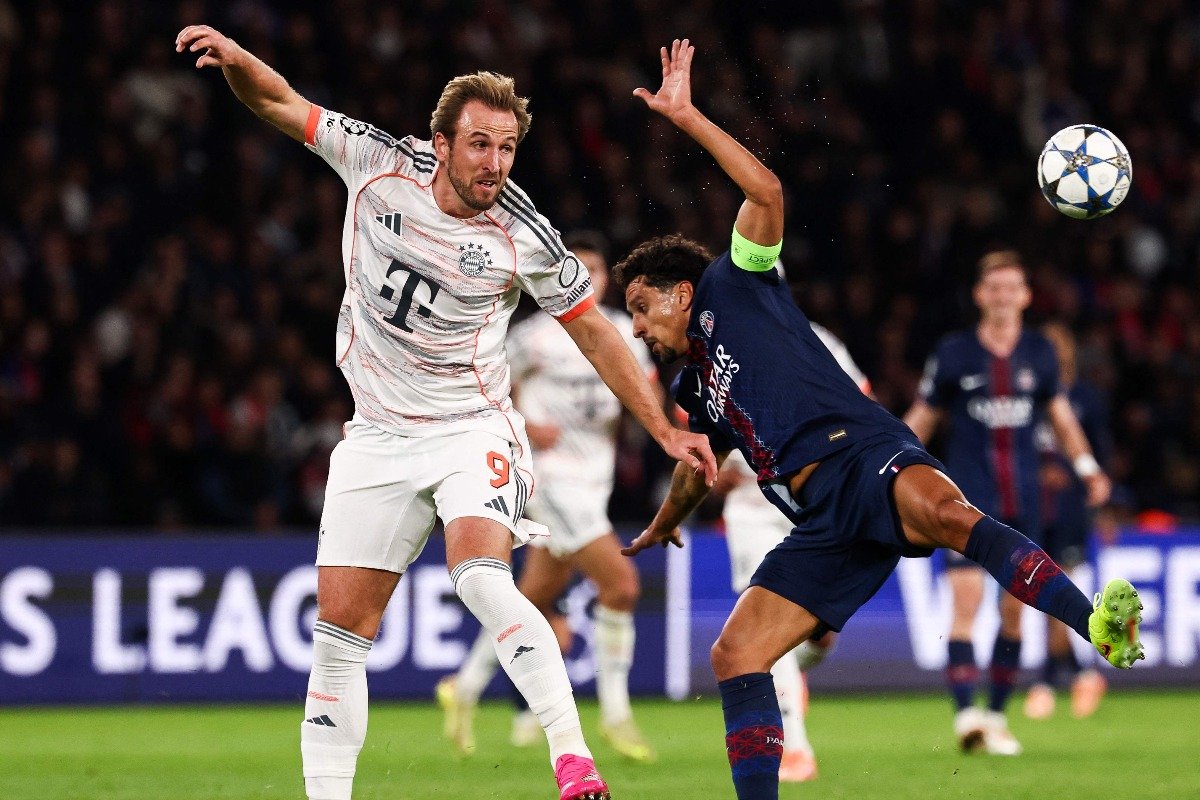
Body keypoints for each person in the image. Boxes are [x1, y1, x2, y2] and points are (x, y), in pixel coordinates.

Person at [174, 25, 718, 800]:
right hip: (377, 433)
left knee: (481, 577)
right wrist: (237, 60)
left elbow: (594, 330)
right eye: (480, 145)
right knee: (339, 637)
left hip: (471, 427)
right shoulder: (376, 163)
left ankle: (574, 762)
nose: (494, 163)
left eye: (507, 148)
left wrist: (662, 427)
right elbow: (280, 102)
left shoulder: (523, 231)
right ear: (441, 145)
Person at [615, 39, 1143, 800]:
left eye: (641, 307)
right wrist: (666, 522)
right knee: (735, 655)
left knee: (953, 517)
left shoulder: (737, 282)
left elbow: (766, 190)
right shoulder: (693, 388)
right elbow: (696, 466)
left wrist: (688, 117)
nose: (636, 326)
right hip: (821, 522)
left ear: (681, 292)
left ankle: (1094, 625)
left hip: (861, 454)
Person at [437, 232, 657, 762]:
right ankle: (616, 714)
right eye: (576, 268)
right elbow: (482, 386)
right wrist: (524, 424)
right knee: (621, 585)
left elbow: (646, 392)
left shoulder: (622, 334)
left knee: (531, 599)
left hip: (595, 481)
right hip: (550, 477)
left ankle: (463, 687)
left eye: (596, 270)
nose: (587, 278)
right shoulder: (533, 336)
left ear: (606, 279)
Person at [902, 251, 1112, 755]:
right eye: (993, 287)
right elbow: (922, 419)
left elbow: (1062, 419)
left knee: (1014, 615)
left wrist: (1087, 467)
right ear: (980, 295)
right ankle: (965, 716)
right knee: (965, 606)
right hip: (964, 504)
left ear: (1025, 296)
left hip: (1024, 506)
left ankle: (995, 717)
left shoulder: (1039, 353)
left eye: (1011, 287)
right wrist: (886, 466)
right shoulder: (954, 353)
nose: (1002, 296)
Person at [714, 320, 868, 782]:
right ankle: (795, 745)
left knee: (820, 636)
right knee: (766, 619)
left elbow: (861, 403)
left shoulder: (819, 339)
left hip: (814, 502)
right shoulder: (715, 343)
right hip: (752, 504)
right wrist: (712, 464)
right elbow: (695, 423)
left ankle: (785, 677)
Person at [1023, 321, 1113, 720]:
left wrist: (1103, 505)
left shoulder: (1085, 398)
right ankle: (1079, 674)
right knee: (1046, 594)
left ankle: (1049, 681)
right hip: (1032, 508)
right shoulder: (1028, 397)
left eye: (1058, 345)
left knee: (1056, 591)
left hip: (1070, 510)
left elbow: (1100, 454)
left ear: (1070, 352)